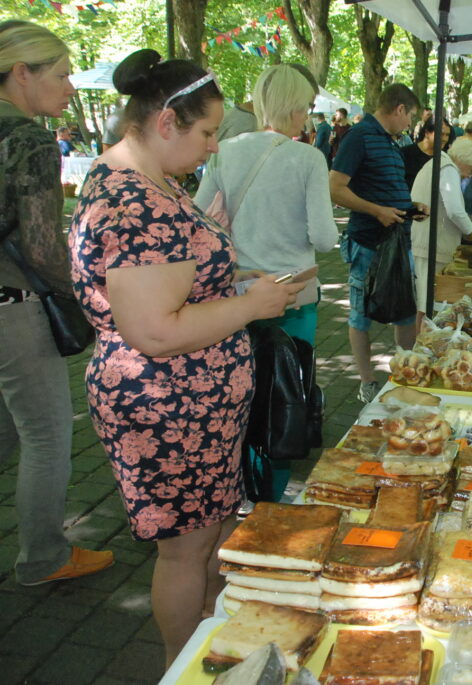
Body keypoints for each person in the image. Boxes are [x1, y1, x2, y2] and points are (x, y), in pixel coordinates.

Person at [67, 49, 307, 667]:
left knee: (207, 537)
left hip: (190, 404)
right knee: (185, 550)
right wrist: (250, 305)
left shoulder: (147, 181)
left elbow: (173, 284)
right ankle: (184, 665)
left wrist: (229, 277)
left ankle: (211, 643)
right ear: (166, 122)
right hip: (167, 404)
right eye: (206, 133)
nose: (214, 147)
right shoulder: (136, 201)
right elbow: (156, 331)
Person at [0, 19, 114, 588]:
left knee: (7, 428)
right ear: (22, 73)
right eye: (62, 74)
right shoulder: (28, 139)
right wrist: (88, 294)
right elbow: (44, 248)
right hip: (13, 306)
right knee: (46, 435)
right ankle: (43, 557)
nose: (71, 87)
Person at [196, 64, 337, 501]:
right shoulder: (308, 158)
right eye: (306, 107)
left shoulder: (224, 150)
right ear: (294, 107)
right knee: (283, 402)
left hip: (237, 297)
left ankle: (233, 489)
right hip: (293, 297)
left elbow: (198, 218)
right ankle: (268, 500)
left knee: (240, 397)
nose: (307, 115)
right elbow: (325, 238)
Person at [330, 83, 428, 403]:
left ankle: (407, 372)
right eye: (410, 116)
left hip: (397, 243)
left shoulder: (391, 141)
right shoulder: (359, 136)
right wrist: (377, 211)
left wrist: (410, 208)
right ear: (399, 109)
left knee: (405, 312)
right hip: (368, 244)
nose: (410, 123)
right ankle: (367, 383)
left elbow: (385, 189)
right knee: (361, 316)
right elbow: (335, 188)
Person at [410, 141, 472, 329]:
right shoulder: (448, 169)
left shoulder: (438, 163)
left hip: (427, 242)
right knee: (427, 304)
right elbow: (454, 210)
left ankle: (421, 341)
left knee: (425, 303)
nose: (470, 175)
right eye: (471, 169)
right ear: (463, 160)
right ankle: (422, 343)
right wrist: (470, 232)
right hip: (433, 245)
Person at [400, 114, 451, 190]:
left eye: (447, 135)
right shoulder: (404, 154)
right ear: (427, 133)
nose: (445, 139)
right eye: (441, 134)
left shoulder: (444, 159)